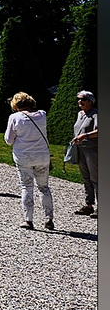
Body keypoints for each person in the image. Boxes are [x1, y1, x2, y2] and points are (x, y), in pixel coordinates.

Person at [4, 92, 55, 230]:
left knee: (27, 187)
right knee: (44, 187)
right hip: (42, 156)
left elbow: (8, 140)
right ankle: (48, 218)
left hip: (24, 157)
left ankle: (28, 220)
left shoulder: (15, 117)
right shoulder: (42, 114)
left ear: (16, 104)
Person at [71, 90, 98, 219]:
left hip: (92, 149)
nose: (80, 101)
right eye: (79, 99)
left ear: (90, 101)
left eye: (83, 99)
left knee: (96, 178)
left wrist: (85, 135)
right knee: (85, 177)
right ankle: (89, 205)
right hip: (80, 148)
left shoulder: (96, 114)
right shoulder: (80, 114)